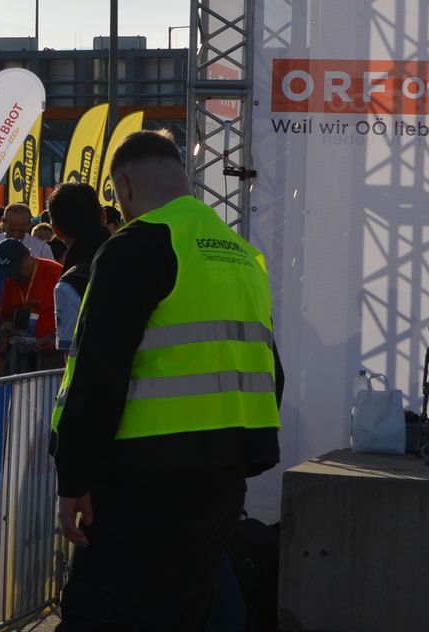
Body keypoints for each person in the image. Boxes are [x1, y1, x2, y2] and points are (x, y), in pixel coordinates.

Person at [52, 130, 282, 632]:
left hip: (143, 478)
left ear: (124, 187)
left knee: (103, 614)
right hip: (224, 476)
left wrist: (73, 477)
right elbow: (270, 371)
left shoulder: (137, 245)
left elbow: (99, 373)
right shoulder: (242, 255)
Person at [49, 181, 111, 357]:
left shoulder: (70, 284)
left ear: (56, 230)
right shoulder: (140, 256)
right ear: (103, 215)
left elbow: (72, 354)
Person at [0, 236, 64, 371]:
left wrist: (57, 342)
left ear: (26, 256)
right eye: (9, 272)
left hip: (51, 352)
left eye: (15, 269)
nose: (13, 275)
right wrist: (5, 325)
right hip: (20, 353)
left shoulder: (55, 272)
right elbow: (6, 314)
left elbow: (72, 314)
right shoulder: (10, 279)